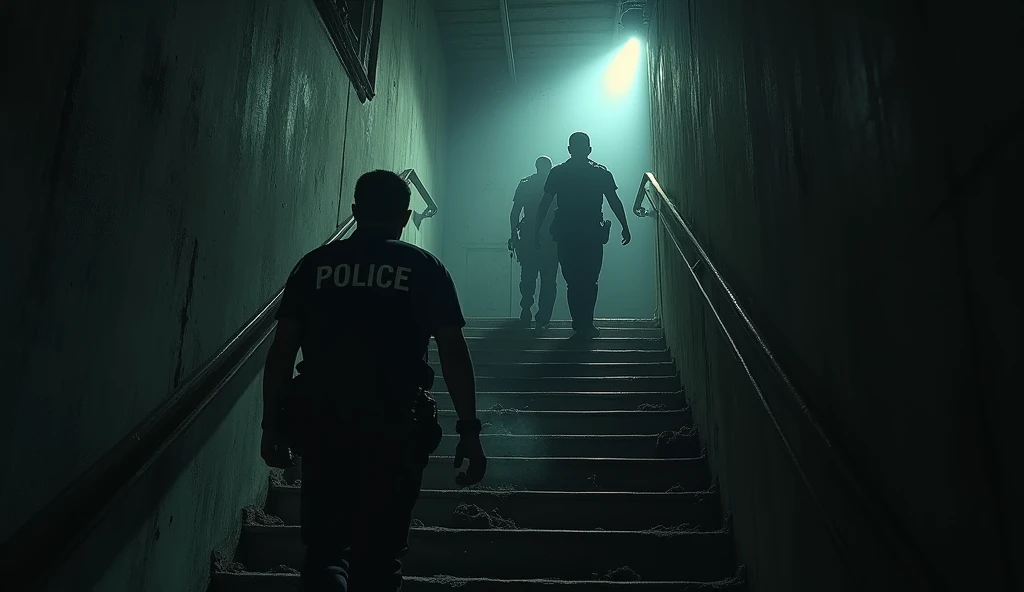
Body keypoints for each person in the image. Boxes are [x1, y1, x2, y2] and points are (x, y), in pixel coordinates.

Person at [259, 170, 487, 592]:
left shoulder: (315, 264)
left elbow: (281, 352)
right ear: (404, 216)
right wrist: (469, 430)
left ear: (355, 212)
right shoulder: (424, 267)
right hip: (395, 424)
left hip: (323, 419)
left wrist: (271, 424)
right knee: (379, 560)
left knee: (326, 553)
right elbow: (454, 352)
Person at [534, 132, 632, 339]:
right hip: (590, 234)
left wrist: (537, 229)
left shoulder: (559, 173)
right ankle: (585, 322)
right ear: (589, 149)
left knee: (573, 281)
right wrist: (624, 225)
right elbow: (614, 200)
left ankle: (581, 322)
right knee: (589, 280)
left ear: (569, 149)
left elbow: (545, 203)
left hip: (567, 234)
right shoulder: (600, 173)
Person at [509, 155, 559, 329]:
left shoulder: (526, 184)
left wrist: (513, 234)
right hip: (552, 237)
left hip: (529, 235)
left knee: (528, 276)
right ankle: (543, 317)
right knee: (549, 279)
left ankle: (526, 308)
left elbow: (515, 212)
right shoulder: (556, 184)